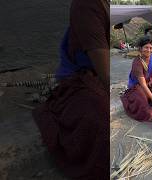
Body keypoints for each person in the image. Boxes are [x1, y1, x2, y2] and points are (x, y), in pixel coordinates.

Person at [32, 0, 109, 179]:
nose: (148, 51)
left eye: (151, 48)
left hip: (103, 77)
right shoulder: (86, 5)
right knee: (101, 124)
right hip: (80, 78)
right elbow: (106, 74)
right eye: (146, 48)